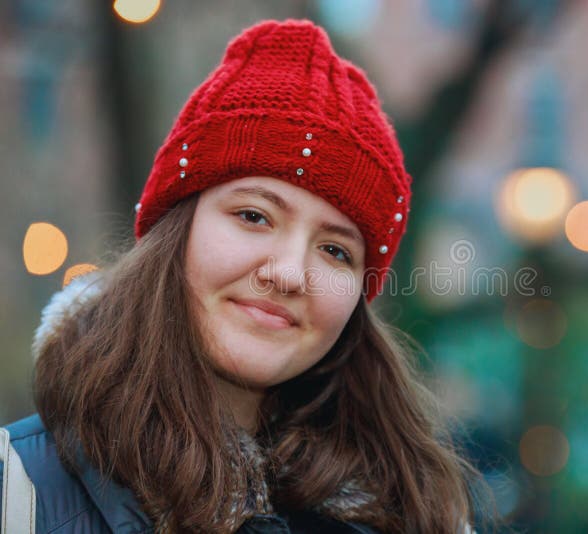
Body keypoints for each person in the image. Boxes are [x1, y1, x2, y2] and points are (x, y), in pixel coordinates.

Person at [0, 19, 490, 534]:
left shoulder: (418, 517)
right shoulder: (17, 491)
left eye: (334, 251)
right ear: (176, 230)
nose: (288, 274)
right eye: (254, 216)